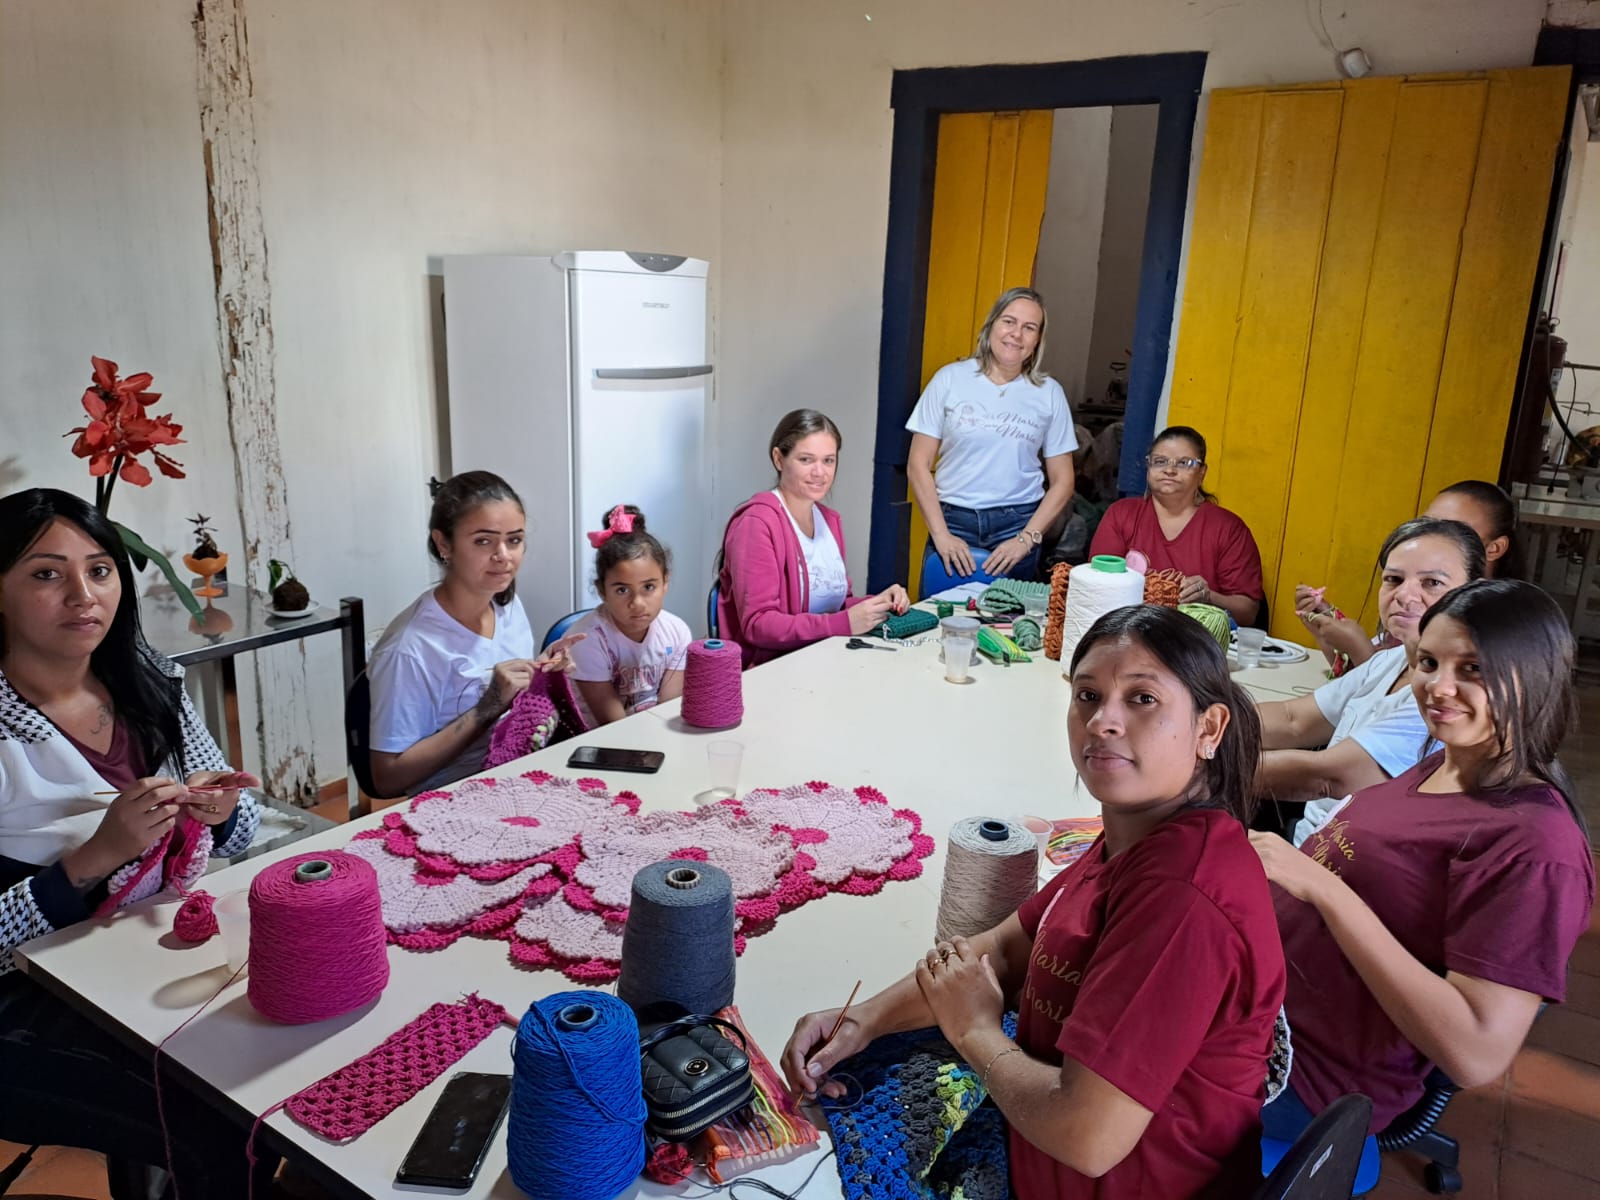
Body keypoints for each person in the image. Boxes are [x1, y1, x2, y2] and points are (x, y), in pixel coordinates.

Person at [782, 606, 1285, 1199]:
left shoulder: (1182, 899)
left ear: (1209, 728)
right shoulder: (1140, 835)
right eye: (1089, 695)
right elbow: (1005, 949)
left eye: (1142, 699)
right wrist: (862, 1021)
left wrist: (974, 1031)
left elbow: (1087, 1137)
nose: (1104, 721)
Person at [0, 487, 271, 1196]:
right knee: (217, 1120)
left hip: (140, 956)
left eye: (99, 569)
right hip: (24, 1001)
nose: (83, 595)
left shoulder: (150, 683)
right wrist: (94, 856)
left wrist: (214, 813)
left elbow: (244, 829)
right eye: (45, 573)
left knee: (282, 1053)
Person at [1254, 579, 1593, 1141]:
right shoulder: (1444, 761)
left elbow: (1475, 1052)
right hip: (1260, 1001)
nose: (1439, 687)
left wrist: (1324, 890)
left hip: (1304, 1072)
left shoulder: (1536, 848)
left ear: (1537, 679)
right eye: (1428, 662)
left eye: (1474, 669)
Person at [1256, 518, 1485, 847]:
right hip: (1308, 846)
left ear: (1474, 592)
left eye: (1432, 583)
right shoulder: (1390, 660)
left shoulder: (1447, 696)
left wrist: (1198, 763)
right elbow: (1293, 719)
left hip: (1349, 869)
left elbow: (1324, 777)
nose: (1405, 596)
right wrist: (1201, 722)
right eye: (1393, 579)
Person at [368, 472, 578, 796]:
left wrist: (540, 673)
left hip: (516, 777)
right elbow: (387, 777)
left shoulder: (508, 607)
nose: (504, 556)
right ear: (443, 544)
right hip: (450, 801)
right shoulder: (409, 649)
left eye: (515, 540)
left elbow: (516, 708)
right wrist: (488, 705)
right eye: (483, 541)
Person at [907, 287, 1078, 583]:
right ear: (991, 326)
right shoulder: (950, 379)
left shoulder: (1049, 393)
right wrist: (941, 534)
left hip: (1017, 524)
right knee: (943, 618)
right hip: (953, 520)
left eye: (1029, 328)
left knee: (1008, 623)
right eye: (1008, 321)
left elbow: (1063, 481)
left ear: (1037, 340)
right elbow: (917, 464)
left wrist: (1027, 539)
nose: (1016, 334)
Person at [717, 410, 910, 669]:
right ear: (778, 458)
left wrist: (878, 602)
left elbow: (833, 604)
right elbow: (758, 624)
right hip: (770, 670)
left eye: (829, 460)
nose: (820, 472)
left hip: (822, 657)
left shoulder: (829, 520)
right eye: (806, 459)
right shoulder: (756, 523)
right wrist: (844, 623)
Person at [1296, 479, 1524, 672]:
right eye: (1426, 523)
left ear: (1495, 548)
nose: (1406, 595)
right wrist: (1327, 635)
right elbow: (1350, 691)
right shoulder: (1408, 606)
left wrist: (1359, 649)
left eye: (1433, 583)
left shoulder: (1489, 637)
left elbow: (1412, 702)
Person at [1088, 426, 1264, 626]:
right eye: (1160, 461)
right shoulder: (1121, 514)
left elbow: (1248, 612)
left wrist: (1209, 597)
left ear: (1202, 473)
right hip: (1126, 632)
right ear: (1149, 467)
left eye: (1184, 463)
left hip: (1195, 642)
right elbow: (1096, 586)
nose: (1169, 470)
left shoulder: (1228, 528)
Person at [567, 505, 691, 726]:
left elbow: (669, 709)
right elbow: (613, 725)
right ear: (602, 591)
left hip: (653, 737)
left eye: (648, 587)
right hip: (601, 744)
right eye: (622, 590)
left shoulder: (677, 632)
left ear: (665, 583)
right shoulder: (587, 642)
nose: (637, 603)